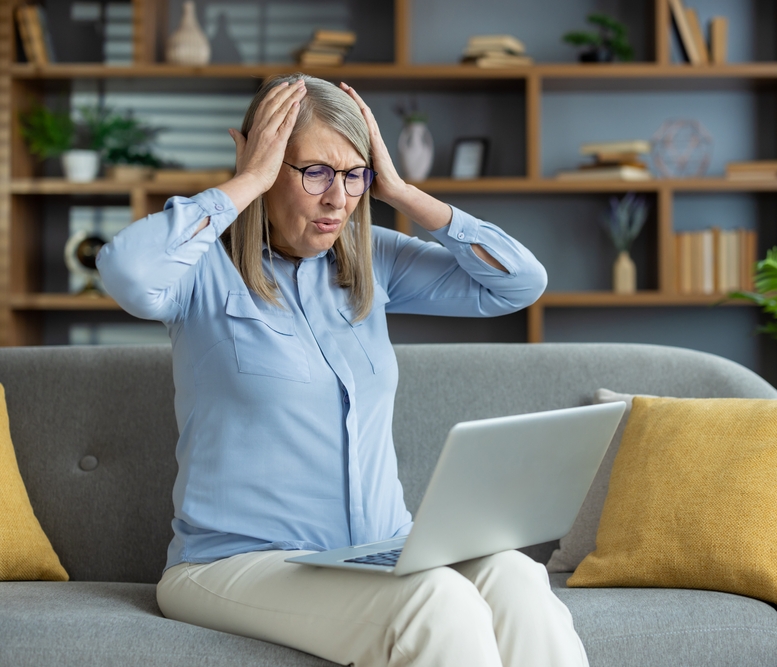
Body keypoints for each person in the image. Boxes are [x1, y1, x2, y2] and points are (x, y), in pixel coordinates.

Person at [96, 73, 588, 667]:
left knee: (515, 576)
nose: (338, 199)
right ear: (262, 157)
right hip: (235, 563)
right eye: (315, 172)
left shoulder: (371, 258)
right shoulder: (203, 270)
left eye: (355, 174)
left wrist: (402, 191)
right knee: (435, 602)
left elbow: (519, 282)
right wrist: (246, 182)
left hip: (379, 551)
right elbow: (126, 272)